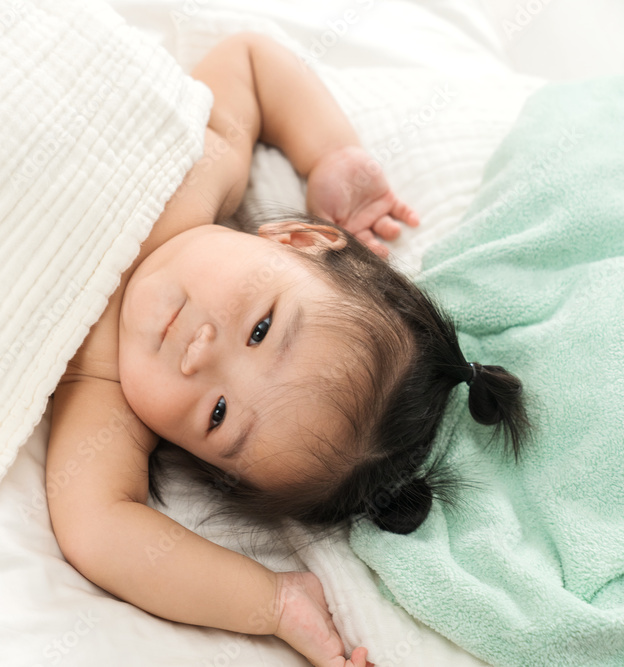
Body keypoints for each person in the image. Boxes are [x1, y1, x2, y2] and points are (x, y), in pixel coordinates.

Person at [46, 32, 528, 667]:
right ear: (296, 238)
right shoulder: (198, 176)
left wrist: (274, 602)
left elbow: (101, 532)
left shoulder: (103, 389)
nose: (199, 355)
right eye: (260, 329)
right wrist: (330, 153)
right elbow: (248, 60)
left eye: (217, 415)